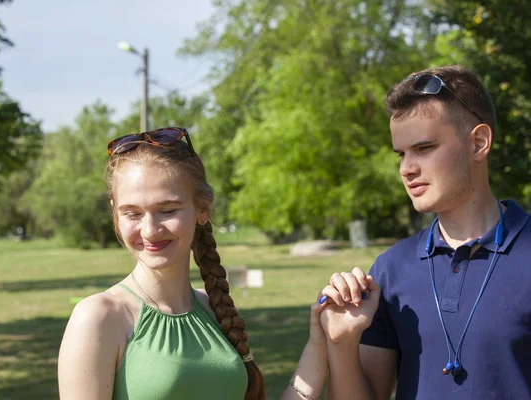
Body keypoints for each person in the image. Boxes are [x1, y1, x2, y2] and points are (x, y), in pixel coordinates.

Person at [57, 127, 330, 400]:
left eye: (168, 210)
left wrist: (320, 341)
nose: (150, 230)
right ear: (116, 214)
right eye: (133, 213)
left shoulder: (215, 310)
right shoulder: (99, 317)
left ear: (202, 209)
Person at [318, 65, 531, 400]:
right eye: (401, 154)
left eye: (424, 148)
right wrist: (342, 344)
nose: (406, 169)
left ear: (478, 143)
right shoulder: (390, 269)